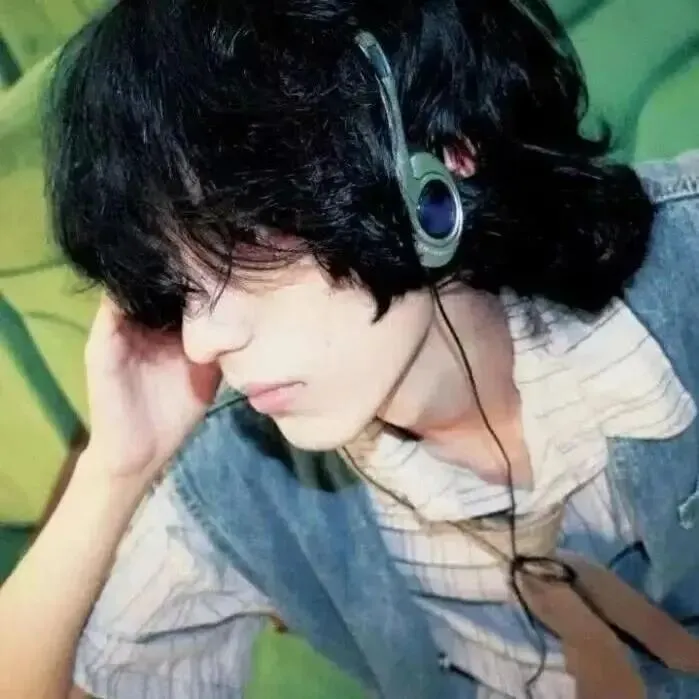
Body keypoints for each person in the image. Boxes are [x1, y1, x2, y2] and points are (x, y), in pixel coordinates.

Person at [2, 0, 699, 697]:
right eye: (177, 288)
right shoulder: (240, 475)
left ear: (439, 160)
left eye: (246, 239)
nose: (203, 339)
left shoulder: (685, 261)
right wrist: (111, 472)